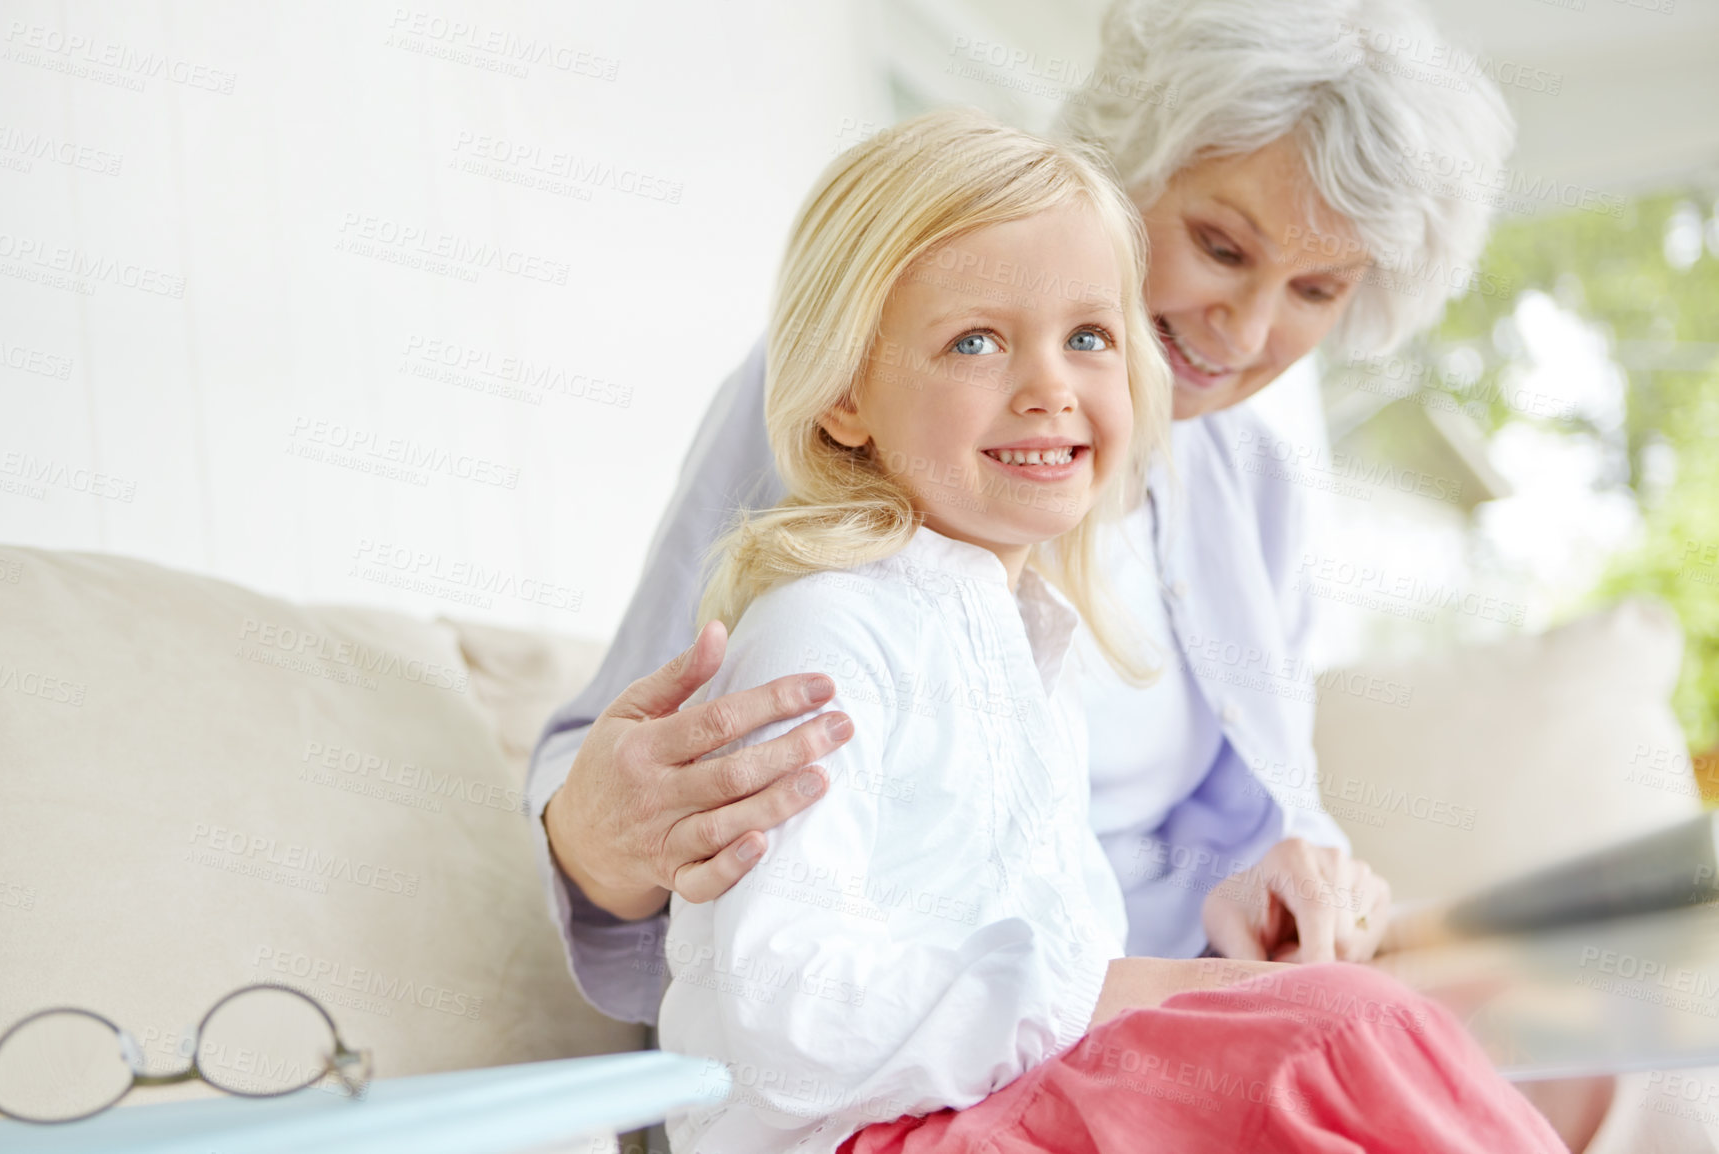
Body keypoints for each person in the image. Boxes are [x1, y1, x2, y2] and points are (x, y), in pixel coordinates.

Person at [525, 0, 1516, 1022]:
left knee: (1581, 1025)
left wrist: (1300, 876)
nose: (1249, 327)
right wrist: (600, 837)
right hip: (953, 1041)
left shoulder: (1248, 477)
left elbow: (1262, 813)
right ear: (1122, 176)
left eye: (1317, 288)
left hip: (1174, 988)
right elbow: (649, 800)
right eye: (1220, 247)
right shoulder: (852, 396)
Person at [656, 106, 1560, 1154]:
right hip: (866, 1135)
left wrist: (1199, 962)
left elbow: (1059, 939)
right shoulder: (824, 632)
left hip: (994, 1101)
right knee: (1340, 1032)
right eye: (976, 340)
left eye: (1087, 336)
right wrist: (1141, 991)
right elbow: (786, 1006)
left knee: (1374, 1029)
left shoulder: (1030, 635)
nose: (1051, 387)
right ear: (847, 395)